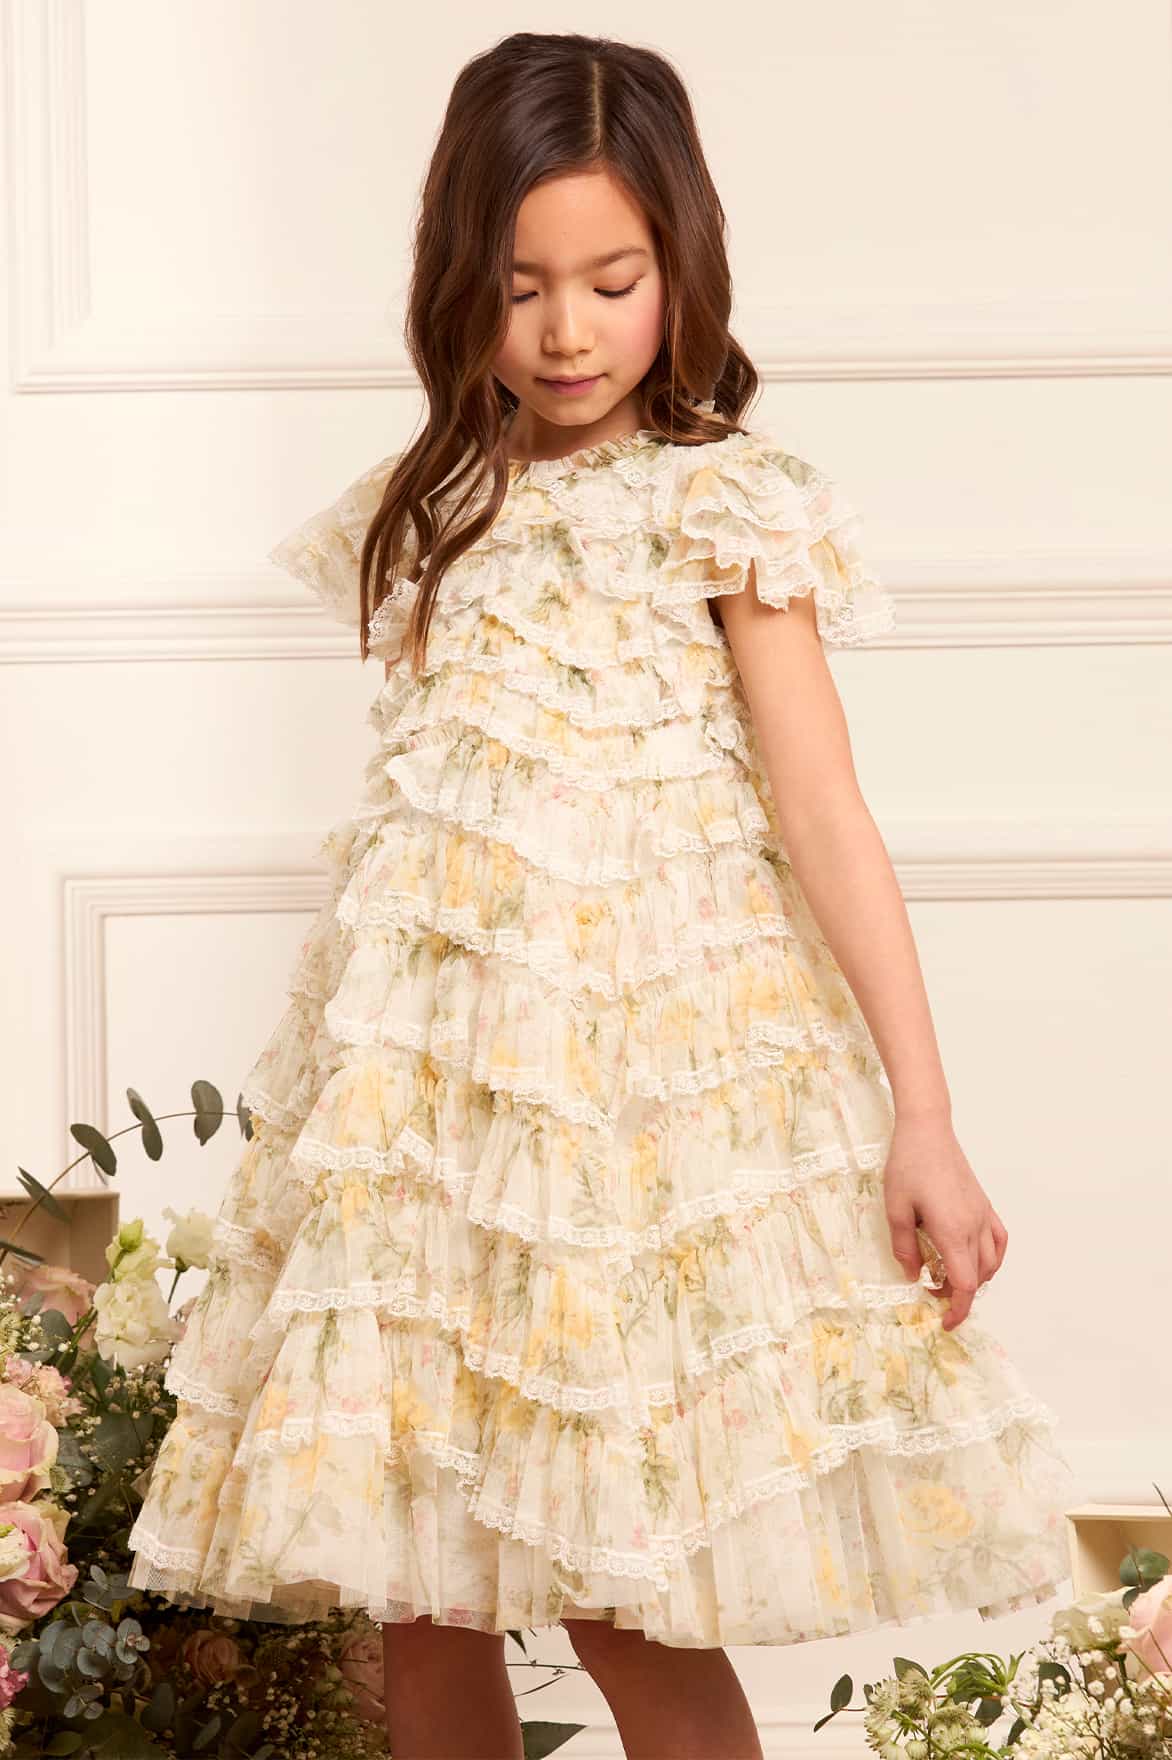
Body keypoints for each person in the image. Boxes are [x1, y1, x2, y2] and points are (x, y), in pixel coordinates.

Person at [125, 30, 1078, 1760]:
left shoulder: (724, 505)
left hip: (642, 1135)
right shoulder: (432, 511)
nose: (567, 331)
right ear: (456, 282)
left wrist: (923, 1118)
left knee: (621, 1587)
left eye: (612, 283)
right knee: (418, 1580)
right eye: (520, 289)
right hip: (435, 1135)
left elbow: (825, 813)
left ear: (680, 265)